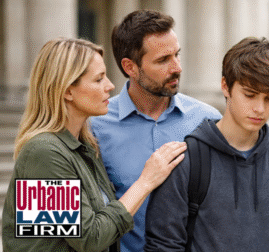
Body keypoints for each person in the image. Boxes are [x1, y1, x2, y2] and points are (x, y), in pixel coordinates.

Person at [90, 10, 269, 252]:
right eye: (163, 60)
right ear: (130, 67)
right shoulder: (94, 127)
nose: (177, 67)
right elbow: (60, 227)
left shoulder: (207, 118)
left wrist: (265, 142)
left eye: (177, 55)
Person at [1, 38, 186, 252]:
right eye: (99, 79)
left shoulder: (84, 145)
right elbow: (89, 239)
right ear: (67, 91)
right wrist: (145, 181)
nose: (111, 85)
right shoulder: (42, 152)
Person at [144, 37, 269, 251]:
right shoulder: (186, 163)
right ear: (225, 86)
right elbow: (163, 246)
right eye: (250, 95)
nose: (260, 109)